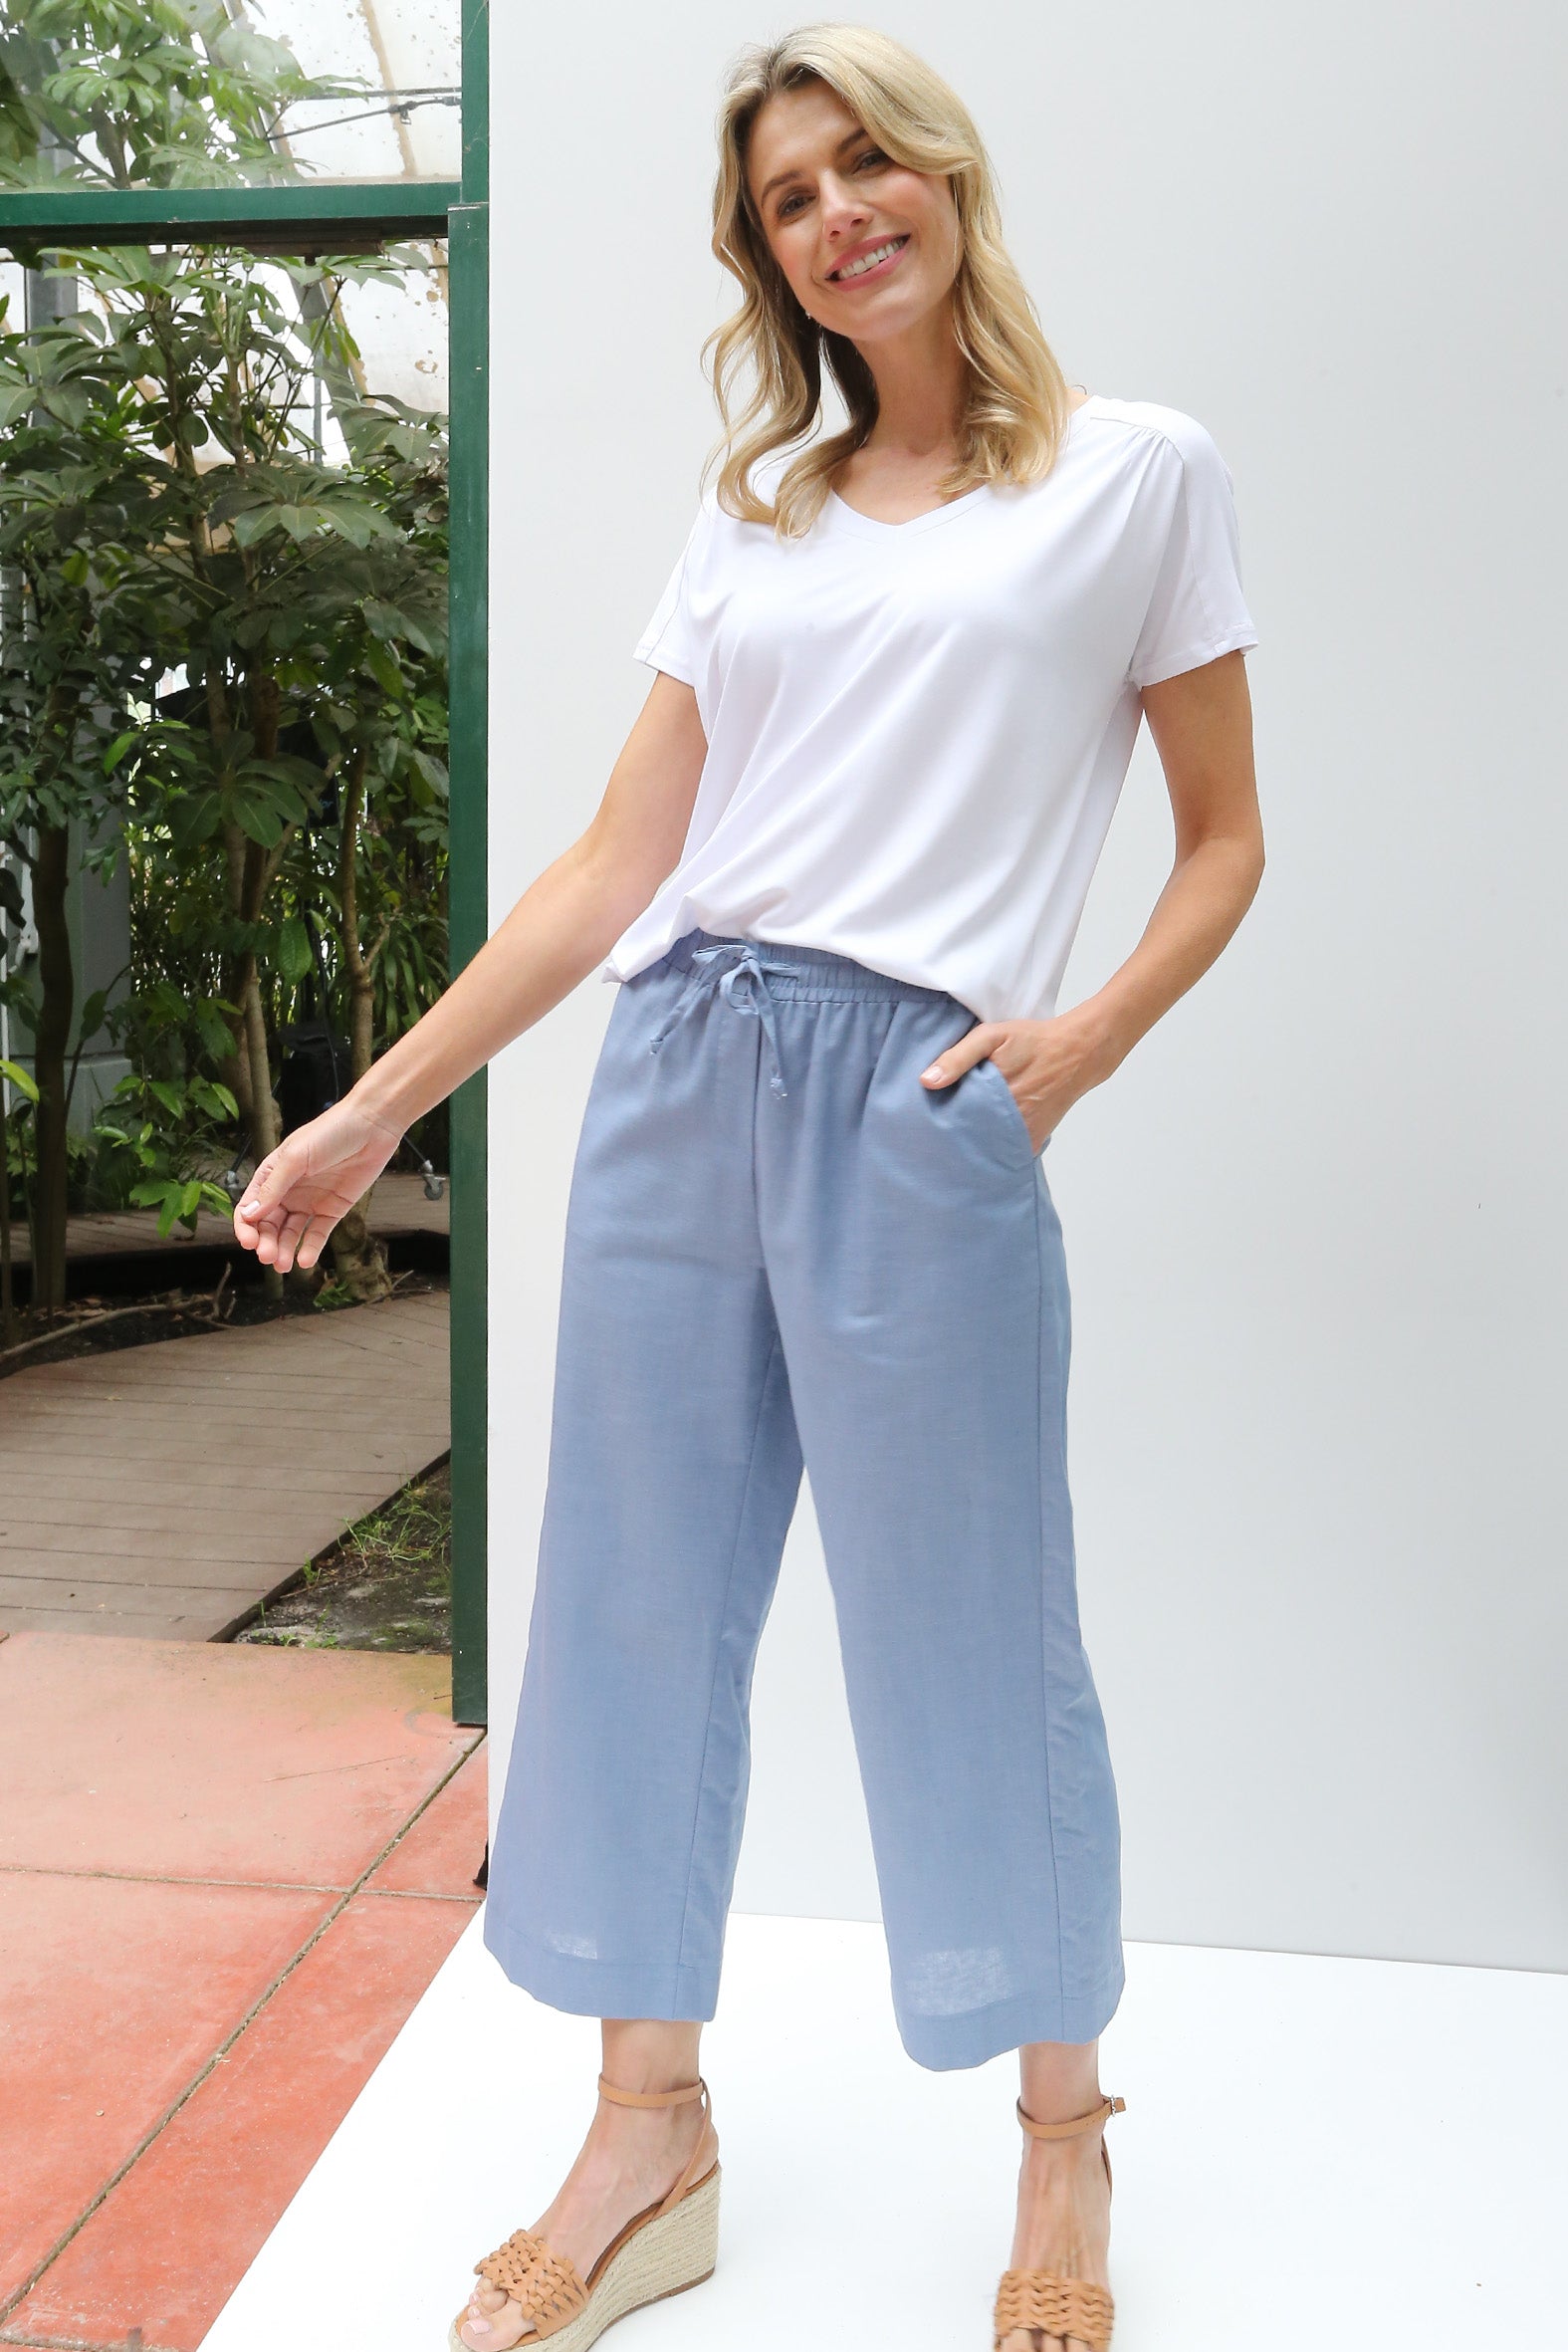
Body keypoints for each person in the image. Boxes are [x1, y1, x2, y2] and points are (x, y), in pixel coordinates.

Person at [235, 24, 1263, 2352]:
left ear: (947, 180)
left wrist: (1082, 1036)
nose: (834, 214)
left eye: (863, 162)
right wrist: (380, 1103)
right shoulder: (759, 510)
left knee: (972, 1625)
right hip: (682, 1063)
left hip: (921, 1087)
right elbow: (618, 862)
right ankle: (644, 2126)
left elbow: (1220, 838)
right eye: (788, 197)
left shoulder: (1132, 474)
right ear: (766, 255)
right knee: (630, 1595)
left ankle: (1063, 2132)